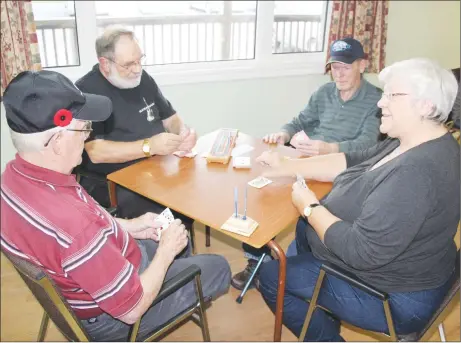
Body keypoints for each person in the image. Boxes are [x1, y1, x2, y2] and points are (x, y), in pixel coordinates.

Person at [1, 70, 231, 341]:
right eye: (84, 128)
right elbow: (132, 309)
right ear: (59, 141)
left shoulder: (13, 180)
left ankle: (175, 275)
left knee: (178, 245)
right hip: (114, 318)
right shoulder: (76, 229)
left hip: (94, 279)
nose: (87, 137)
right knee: (218, 266)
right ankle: (177, 286)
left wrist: (133, 226)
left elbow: (85, 229)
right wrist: (166, 252)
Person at [256, 58, 459, 341]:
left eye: (392, 95)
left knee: (270, 277)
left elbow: (360, 252)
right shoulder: (414, 139)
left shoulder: (415, 173)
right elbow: (349, 160)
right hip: (409, 266)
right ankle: (321, 308)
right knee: (304, 230)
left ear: (425, 105)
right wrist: (285, 167)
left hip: (394, 296)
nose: (380, 103)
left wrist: (309, 206)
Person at [232, 37, 383, 290]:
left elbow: (367, 145)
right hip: (307, 160)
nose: (339, 73)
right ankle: (256, 260)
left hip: (344, 170)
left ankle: (298, 263)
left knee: (294, 206)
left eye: (346, 66)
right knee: (264, 194)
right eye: (335, 67)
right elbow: (301, 120)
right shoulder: (325, 92)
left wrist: (329, 148)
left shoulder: (375, 100)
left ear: (362, 65)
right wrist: (284, 134)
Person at [75, 26, 197, 220]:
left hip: (156, 166)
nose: (137, 69)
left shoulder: (142, 78)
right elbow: (95, 152)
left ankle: (182, 248)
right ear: (105, 63)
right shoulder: (86, 92)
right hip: (115, 180)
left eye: (140, 60)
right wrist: (149, 146)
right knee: (164, 215)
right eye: (128, 64)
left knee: (192, 193)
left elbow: (170, 118)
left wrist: (183, 133)